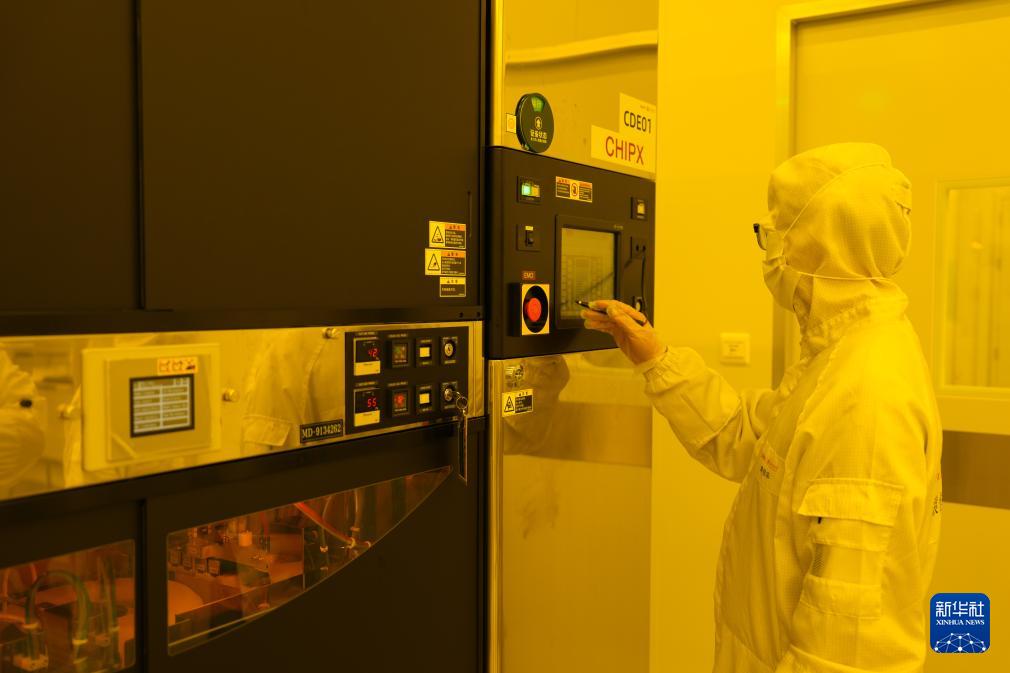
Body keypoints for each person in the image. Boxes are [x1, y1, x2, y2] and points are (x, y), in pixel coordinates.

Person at [584, 143, 942, 672]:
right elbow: (747, 438)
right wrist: (656, 359)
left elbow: (846, 652)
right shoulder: (839, 358)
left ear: (820, 243)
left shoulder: (866, 399)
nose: (770, 254)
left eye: (774, 236)